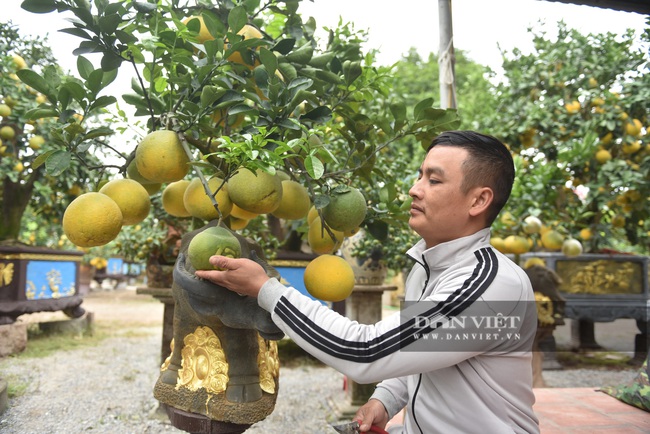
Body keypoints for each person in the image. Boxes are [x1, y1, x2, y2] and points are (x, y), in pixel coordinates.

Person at [196, 130, 540, 434]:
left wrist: (267, 290)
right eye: (419, 176)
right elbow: (422, 352)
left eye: (433, 181)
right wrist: (386, 400)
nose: (414, 189)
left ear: (479, 200)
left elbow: (366, 352)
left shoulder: (492, 286)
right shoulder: (426, 268)